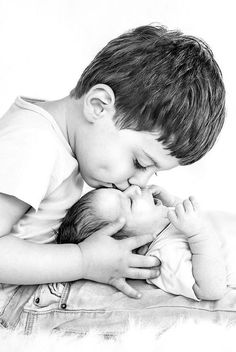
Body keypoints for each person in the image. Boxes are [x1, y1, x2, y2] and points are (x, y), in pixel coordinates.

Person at [0, 24, 225, 332]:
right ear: (98, 106)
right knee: (193, 308)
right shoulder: (32, 144)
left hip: (38, 283)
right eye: (139, 161)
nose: (140, 183)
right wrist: (82, 260)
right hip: (16, 300)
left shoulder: (53, 137)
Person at [56, 185, 231, 301]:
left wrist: (173, 203)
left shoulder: (164, 225)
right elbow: (212, 289)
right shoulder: (164, 256)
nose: (134, 188)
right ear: (131, 246)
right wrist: (199, 235)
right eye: (130, 201)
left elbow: (194, 218)